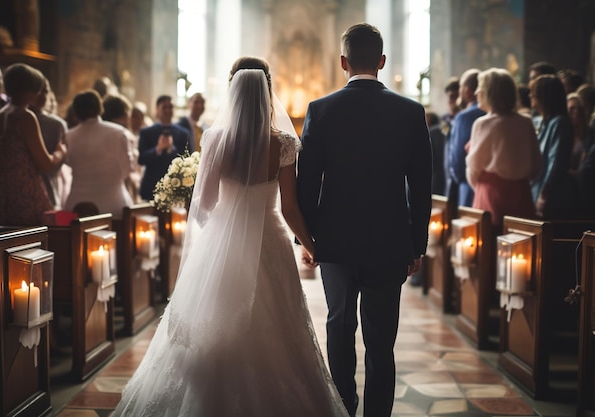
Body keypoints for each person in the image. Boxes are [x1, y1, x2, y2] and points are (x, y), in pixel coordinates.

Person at [112, 56, 348, 416]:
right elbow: (290, 209)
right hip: (270, 241)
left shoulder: (215, 139)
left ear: (232, 91)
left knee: (213, 325)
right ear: (268, 92)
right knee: (277, 328)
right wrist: (311, 246)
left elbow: (203, 203)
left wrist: (222, 235)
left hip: (221, 244)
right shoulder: (283, 143)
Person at [297, 23, 432, 416]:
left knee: (339, 327)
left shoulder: (321, 109)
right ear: (382, 61)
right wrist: (416, 245)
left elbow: (308, 183)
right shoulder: (410, 111)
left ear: (343, 61)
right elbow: (421, 187)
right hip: (390, 242)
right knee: (380, 341)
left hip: (334, 240)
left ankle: (343, 407)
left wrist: (307, 240)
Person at [465, 68, 542, 234]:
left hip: (490, 196)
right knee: (520, 247)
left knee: (488, 249)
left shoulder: (482, 124)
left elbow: (473, 170)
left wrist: (483, 187)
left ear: (492, 93)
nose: (477, 91)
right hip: (522, 196)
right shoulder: (526, 122)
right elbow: (536, 167)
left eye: (481, 87)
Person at [0, 63, 66, 225]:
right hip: (27, 190)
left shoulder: (1, 115)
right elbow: (45, 164)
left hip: (4, 190)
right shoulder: (25, 117)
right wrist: (60, 152)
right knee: (32, 245)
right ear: (30, 89)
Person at [63, 90, 133, 217]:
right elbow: (127, 168)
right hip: (113, 203)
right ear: (99, 107)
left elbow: (68, 163)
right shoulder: (118, 133)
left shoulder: (69, 136)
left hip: (77, 204)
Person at [529, 74, 575, 219]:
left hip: (550, 194)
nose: (530, 95)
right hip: (536, 188)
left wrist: (544, 193)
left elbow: (555, 162)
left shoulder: (559, 123)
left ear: (544, 96)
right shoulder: (540, 121)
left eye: (534, 92)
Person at [138, 95, 191, 201]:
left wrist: (172, 148)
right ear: (157, 109)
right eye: (164, 107)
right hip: (151, 186)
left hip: (175, 186)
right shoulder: (146, 132)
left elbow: (187, 159)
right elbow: (141, 159)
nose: (168, 110)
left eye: (170, 107)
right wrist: (158, 149)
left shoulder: (183, 133)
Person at [447, 68, 486, 207]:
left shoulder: (464, 117)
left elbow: (457, 159)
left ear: (467, 91)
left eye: (461, 87)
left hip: (468, 188)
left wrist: (459, 181)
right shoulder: (491, 112)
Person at [29, 77, 68, 209]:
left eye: (45, 91)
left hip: (47, 184)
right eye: (38, 91)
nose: (42, 95)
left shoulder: (56, 124)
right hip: (42, 184)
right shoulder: (54, 124)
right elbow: (51, 165)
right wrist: (60, 154)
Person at [102, 93, 142, 203]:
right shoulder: (123, 134)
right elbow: (129, 168)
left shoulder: (100, 133)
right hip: (121, 186)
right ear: (123, 115)